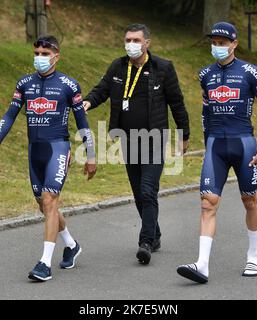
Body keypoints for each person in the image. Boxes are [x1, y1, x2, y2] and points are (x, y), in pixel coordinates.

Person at [0, 35, 97, 282]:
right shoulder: (24, 83)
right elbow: (10, 113)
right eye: (36, 53)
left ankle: (44, 263)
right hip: (35, 150)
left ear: (57, 56)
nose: (39, 58)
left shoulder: (69, 85)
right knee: (44, 205)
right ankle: (71, 245)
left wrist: (91, 154)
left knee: (50, 199)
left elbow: (82, 122)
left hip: (58, 148)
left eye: (45, 54)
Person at [177, 22, 257, 284]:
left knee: (249, 200)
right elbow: (205, 112)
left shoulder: (250, 72)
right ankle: (201, 265)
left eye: (223, 43)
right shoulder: (205, 75)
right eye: (214, 42)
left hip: (244, 145)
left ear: (234, 44)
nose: (218, 47)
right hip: (215, 147)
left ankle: (253, 257)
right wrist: (206, 143)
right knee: (207, 203)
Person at [83, 24, 190, 266]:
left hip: (154, 139)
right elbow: (102, 90)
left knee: (147, 189)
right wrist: (88, 102)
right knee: (138, 193)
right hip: (128, 140)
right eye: (128, 39)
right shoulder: (118, 66)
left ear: (147, 43)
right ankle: (156, 234)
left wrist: (184, 135)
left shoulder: (162, 68)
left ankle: (145, 243)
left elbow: (177, 103)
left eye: (136, 39)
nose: (131, 43)